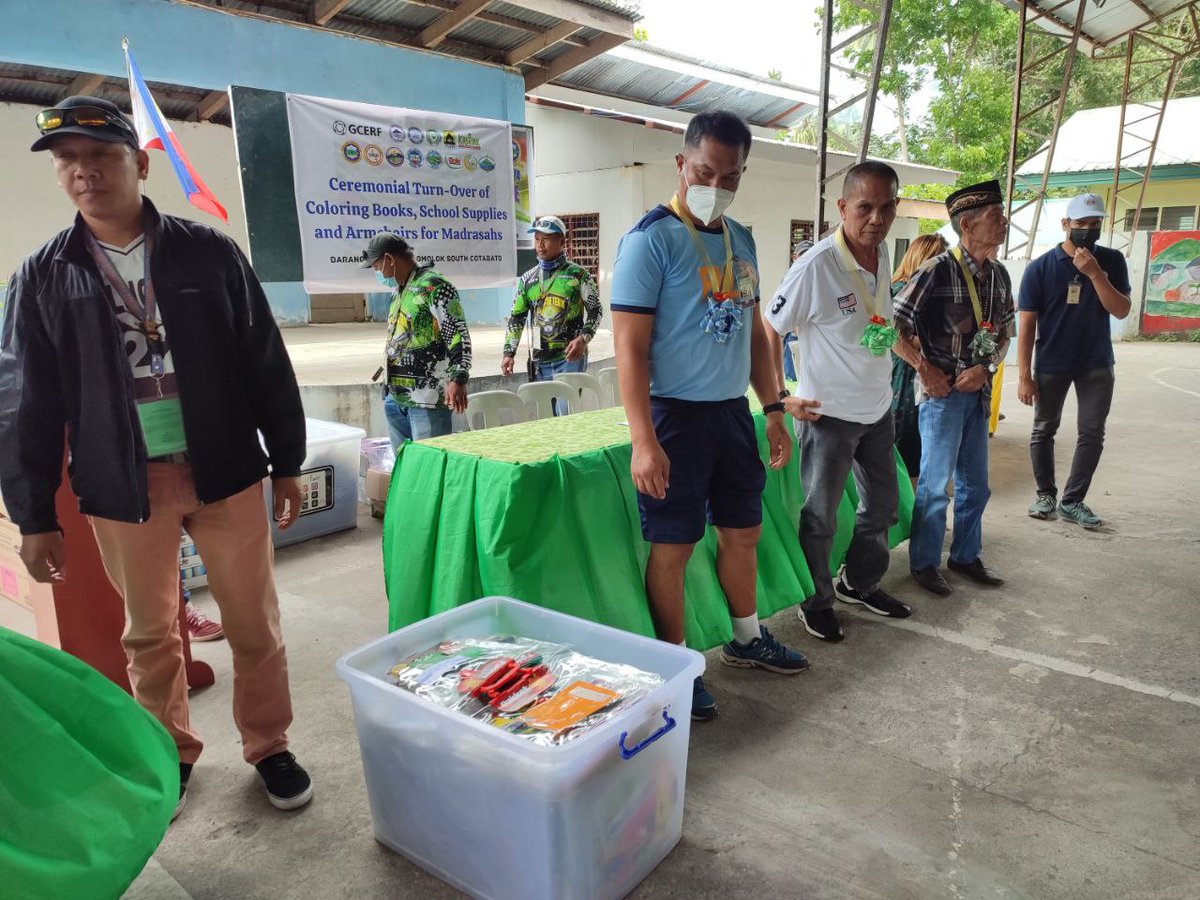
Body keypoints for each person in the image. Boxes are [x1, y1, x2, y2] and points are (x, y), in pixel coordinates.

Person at [0, 96, 313, 818]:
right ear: (58, 177)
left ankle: (270, 746)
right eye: (68, 162)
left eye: (101, 157)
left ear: (139, 164)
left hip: (226, 471)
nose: (84, 173)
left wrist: (288, 458)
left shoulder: (208, 253)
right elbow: (25, 403)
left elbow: (265, 357)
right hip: (124, 483)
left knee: (254, 627)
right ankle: (167, 753)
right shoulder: (43, 277)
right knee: (148, 634)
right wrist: (33, 513)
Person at [610, 111, 810, 722]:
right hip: (674, 417)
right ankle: (675, 666)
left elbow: (753, 332)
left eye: (730, 177)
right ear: (681, 163)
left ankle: (746, 638)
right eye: (704, 171)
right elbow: (629, 348)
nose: (715, 186)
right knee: (674, 543)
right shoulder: (650, 240)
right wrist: (644, 439)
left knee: (742, 531)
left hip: (730, 414)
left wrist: (772, 409)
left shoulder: (741, 238)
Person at [764, 162, 912, 643]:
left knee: (884, 506)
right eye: (865, 207)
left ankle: (859, 583)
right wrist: (781, 398)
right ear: (842, 207)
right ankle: (818, 601)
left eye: (887, 207)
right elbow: (770, 331)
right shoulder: (816, 266)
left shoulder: (882, 252)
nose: (877, 218)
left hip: (877, 409)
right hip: (828, 417)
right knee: (821, 516)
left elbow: (877, 323)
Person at [893, 180, 1015, 596]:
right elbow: (892, 324)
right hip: (941, 399)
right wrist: (923, 369)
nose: (1004, 223)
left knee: (975, 486)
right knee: (933, 485)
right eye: (995, 217)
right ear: (967, 224)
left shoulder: (999, 275)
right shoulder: (936, 269)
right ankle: (924, 563)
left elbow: (1004, 335)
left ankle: (965, 556)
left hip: (977, 397)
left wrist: (986, 368)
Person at [1017, 192, 1131, 528]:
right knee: (1043, 429)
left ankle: (1072, 500)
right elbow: (1026, 325)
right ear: (1066, 224)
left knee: (1092, 433)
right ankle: (1045, 494)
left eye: (1095, 223)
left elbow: (1121, 309)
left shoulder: (1111, 261)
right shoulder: (1040, 268)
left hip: (1096, 363)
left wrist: (1096, 275)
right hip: (1052, 362)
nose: (1088, 229)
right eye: (1081, 223)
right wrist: (1024, 374)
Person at [363, 233, 471, 448]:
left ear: (390, 260)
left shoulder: (436, 286)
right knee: (404, 467)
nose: (377, 273)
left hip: (427, 399)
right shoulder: (398, 291)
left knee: (429, 467)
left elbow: (457, 333)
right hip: (395, 397)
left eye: (377, 267)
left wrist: (458, 377)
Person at [501, 215, 601, 387]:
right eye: (537, 239)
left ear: (561, 242)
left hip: (570, 358)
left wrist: (583, 339)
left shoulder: (578, 275)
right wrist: (509, 353)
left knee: (566, 412)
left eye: (546, 239)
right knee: (547, 413)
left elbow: (595, 310)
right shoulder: (527, 279)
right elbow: (517, 317)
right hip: (540, 362)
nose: (540, 245)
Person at [890, 234, 950, 484]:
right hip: (903, 378)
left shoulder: (939, 292)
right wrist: (921, 341)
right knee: (906, 447)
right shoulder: (897, 290)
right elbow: (883, 335)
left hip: (928, 380)